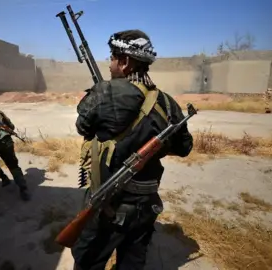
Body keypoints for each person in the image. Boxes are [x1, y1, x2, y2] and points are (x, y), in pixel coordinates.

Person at [71, 30, 194, 269]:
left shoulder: (105, 92)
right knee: (133, 261)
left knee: (88, 262)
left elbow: (82, 127)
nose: (109, 64)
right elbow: (184, 147)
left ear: (125, 62)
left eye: (113, 57)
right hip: (146, 204)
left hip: (106, 204)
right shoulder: (168, 102)